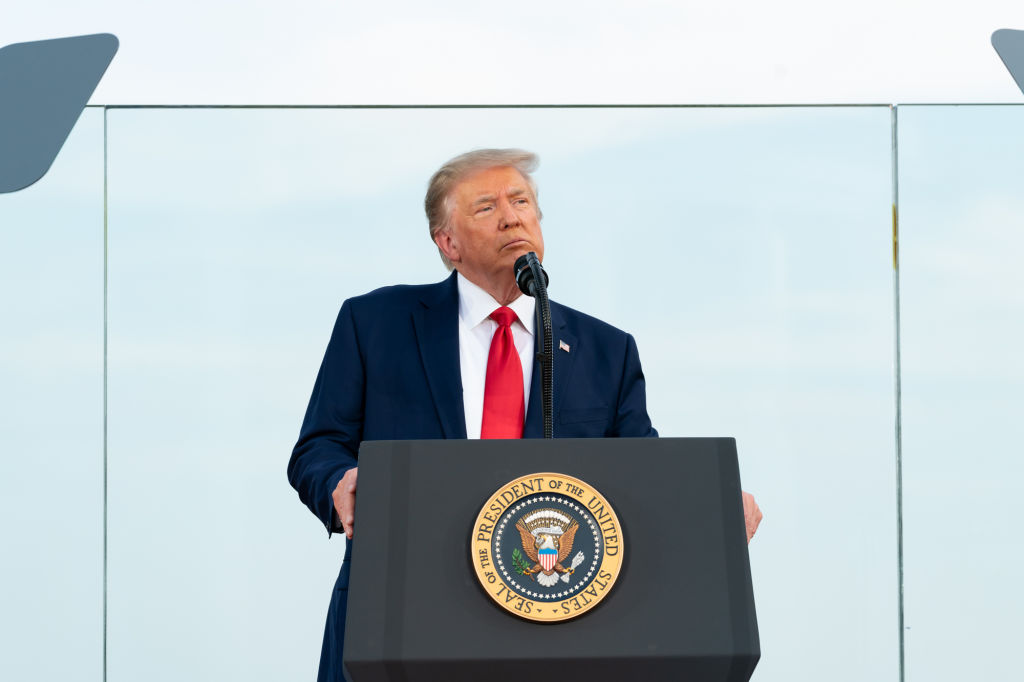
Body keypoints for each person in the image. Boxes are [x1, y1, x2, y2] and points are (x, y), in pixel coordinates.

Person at [287, 148, 762, 682]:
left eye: (522, 201)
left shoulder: (606, 350)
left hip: (556, 628)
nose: (512, 216)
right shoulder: (375, 323)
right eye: (486, 207)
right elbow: (317, 447)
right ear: (448, 242)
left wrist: (710, 506)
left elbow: (641, 472)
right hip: (401, 615)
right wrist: (338, 482)